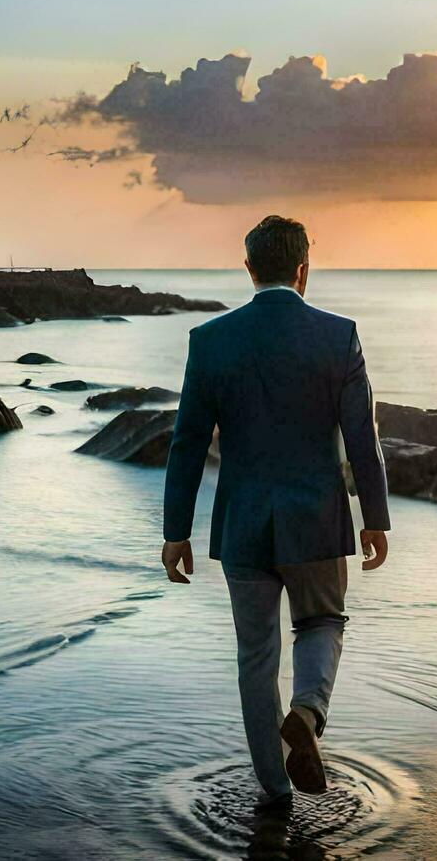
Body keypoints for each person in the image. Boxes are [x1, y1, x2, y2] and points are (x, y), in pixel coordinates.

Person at [162, 214, 391, 809]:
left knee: (255, 660)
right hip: (316, 519)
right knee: (321, 623)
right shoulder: (338, 336)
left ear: (248, 270)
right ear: (303, 270)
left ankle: (275, 793)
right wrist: (375, 517)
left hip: (242, 525)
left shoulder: (209, 341)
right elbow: (362, 437)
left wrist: (175, 532)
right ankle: (308, 716)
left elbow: (186, 441)